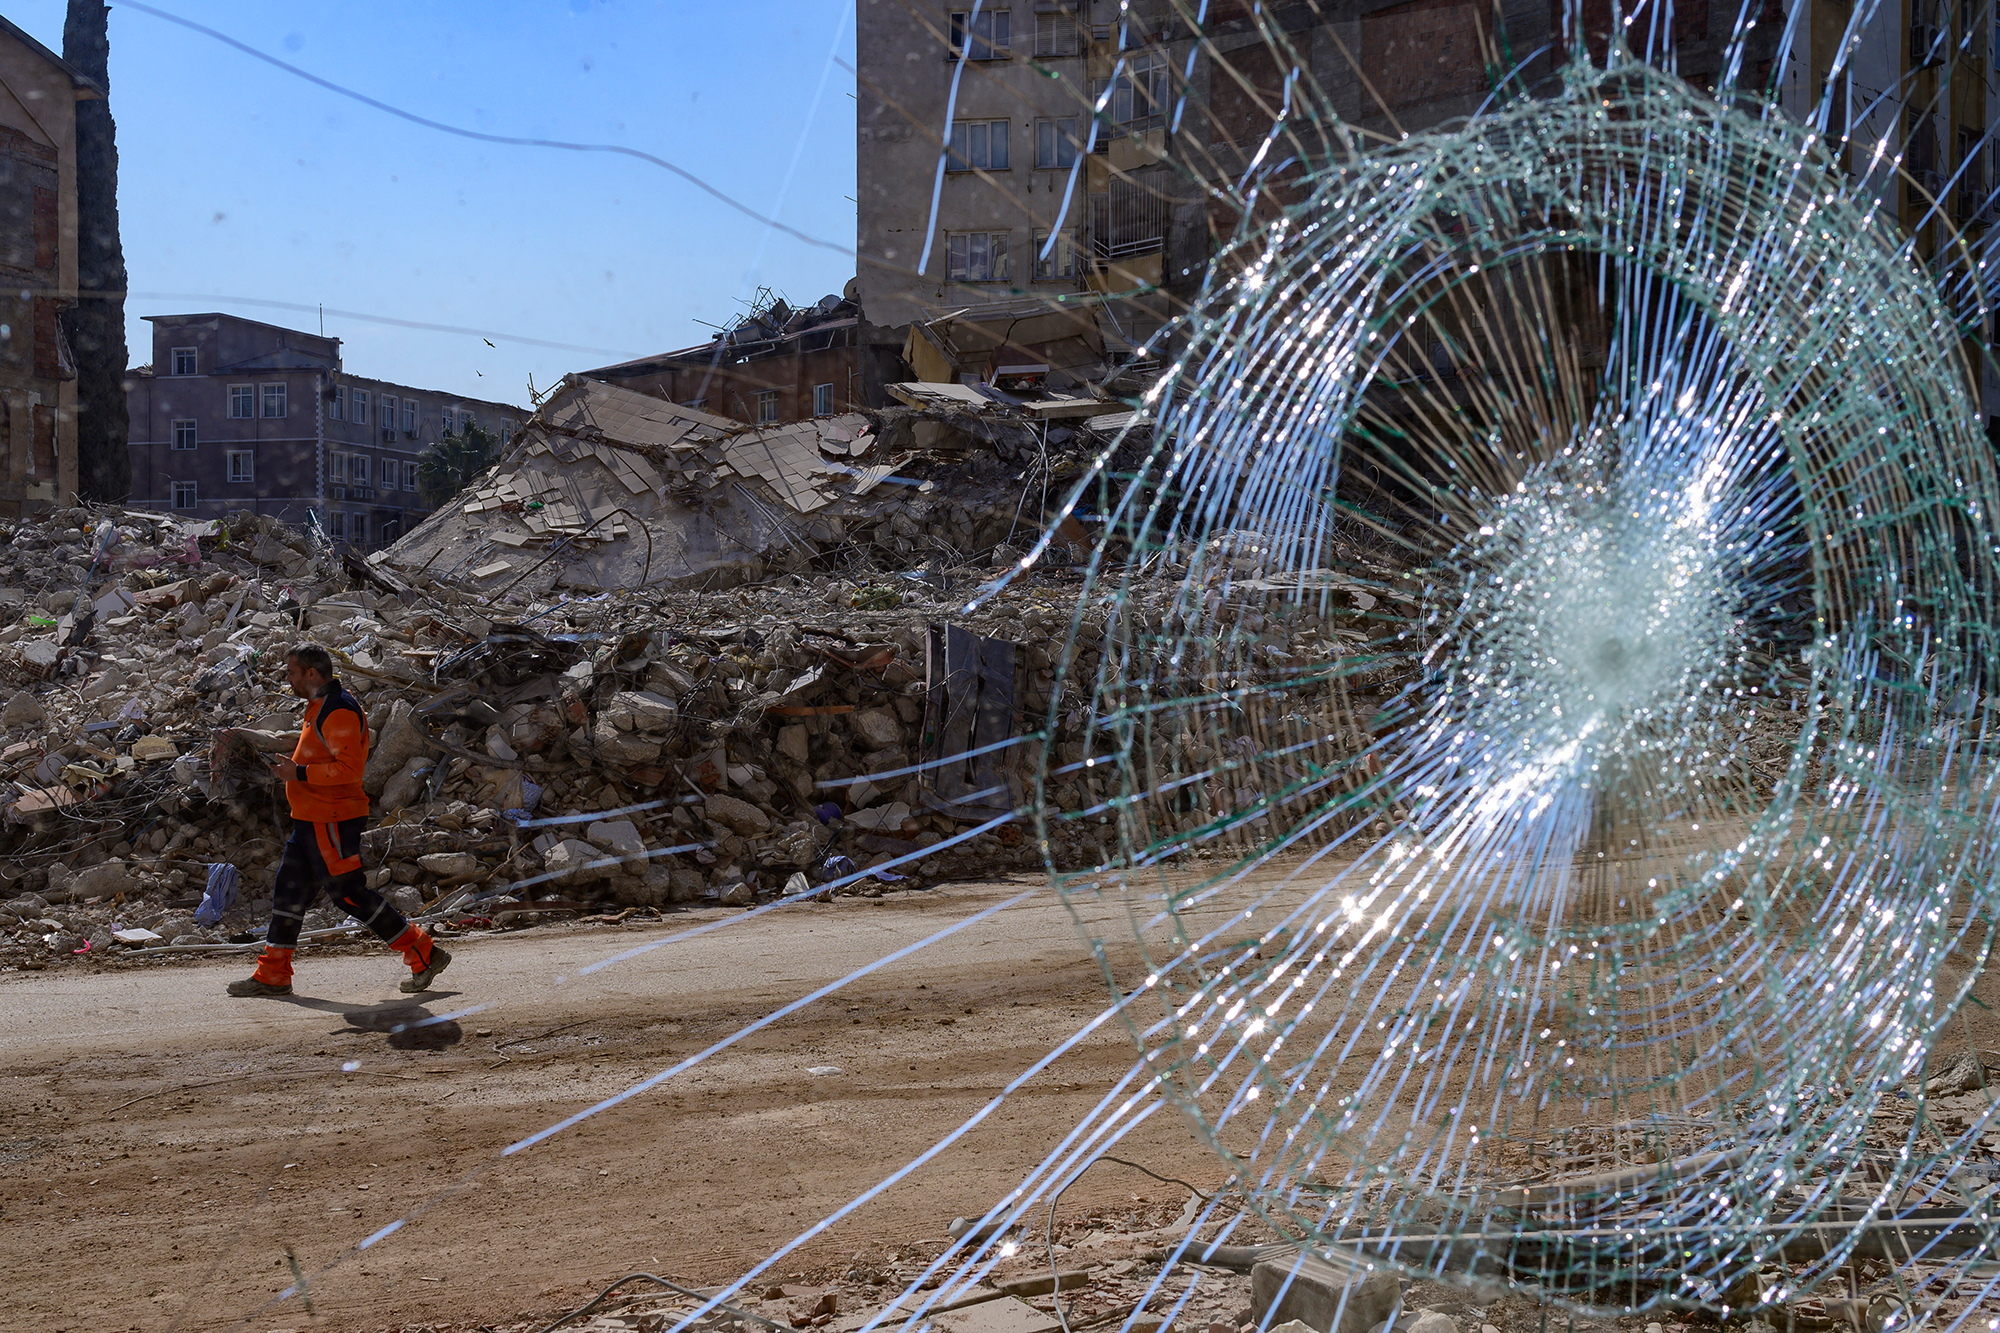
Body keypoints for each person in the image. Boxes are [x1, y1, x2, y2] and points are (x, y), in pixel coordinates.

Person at [224, 643, 450, 998]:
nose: (288, 679)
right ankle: (273, 973)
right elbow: (321, 750)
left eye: (292, 673)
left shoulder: (339, 709)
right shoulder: (320, 706)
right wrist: (278, 746)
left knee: (348, 894)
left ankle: (422, 951)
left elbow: (348, 769)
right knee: (289, 890)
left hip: (331, 818)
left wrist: (296, 773)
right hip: (310, 819)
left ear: (311, 674)